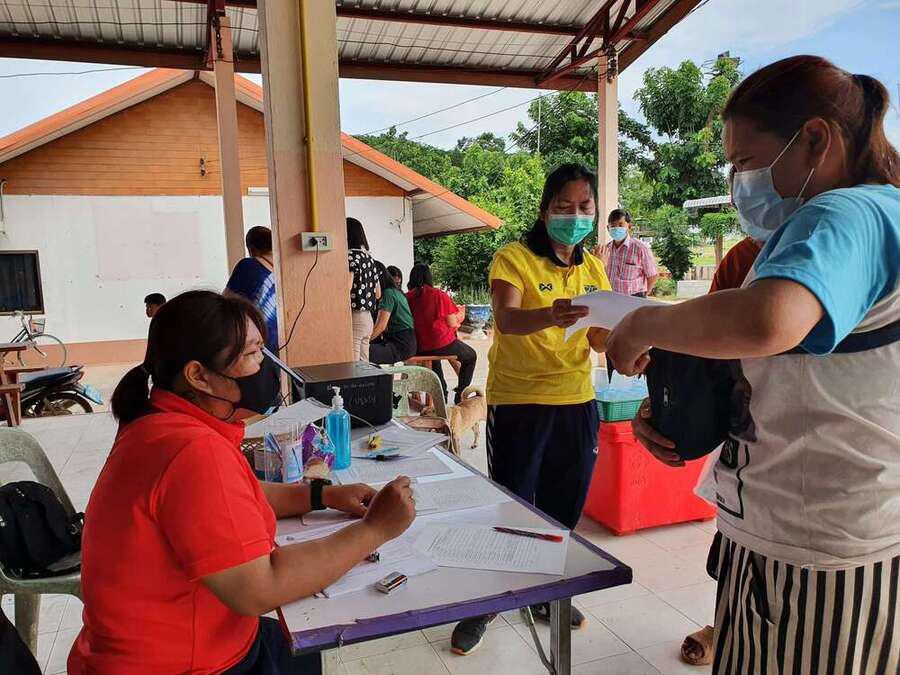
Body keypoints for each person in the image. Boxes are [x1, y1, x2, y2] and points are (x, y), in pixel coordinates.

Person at [608, 56, 900, 674]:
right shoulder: (846, 223)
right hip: (798, 533)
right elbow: (796, 372)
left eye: (745, 162)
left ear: (815, 140)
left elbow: (769, 321)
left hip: (819, 551)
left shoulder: (848, 212)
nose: (739, 181)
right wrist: (677, 409)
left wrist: (643, 322)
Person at [69, 290, 416, 674]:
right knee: (305, 639)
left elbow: (238, 497)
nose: (266, 366)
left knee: (302, 647)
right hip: (184, 664)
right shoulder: (192, 452)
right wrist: (375, 529)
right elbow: (261, 587)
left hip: (161, 645)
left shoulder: (157, 424)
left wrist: (323, 495)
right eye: (253, 354)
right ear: (199, 376)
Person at [450, 163, 611, 655]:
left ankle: (544, 595)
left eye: (584, 207)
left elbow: (599, 338)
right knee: (513, 507)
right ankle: (490, 601)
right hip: (519, 401)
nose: (575, 216)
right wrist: (552, 313)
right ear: (545, 211)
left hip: (576, 400)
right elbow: (506, 319)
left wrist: (630, 335)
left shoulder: (593, 268)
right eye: (564, 207)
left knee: (564, 510)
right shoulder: (514, 257)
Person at [224, 226, 281, 413]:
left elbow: (226, 303)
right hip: (277, 343)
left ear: (251, 248)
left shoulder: (249, 266)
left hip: (251, 343)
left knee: (251, 399)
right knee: (270, 393)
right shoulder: (282, 268)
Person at [405, 263, 476, 404]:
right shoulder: (438, 295)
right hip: (440, 343)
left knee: (434, 359)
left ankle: (441, 394)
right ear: (429, 277)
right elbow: (452, 323)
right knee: (470, 356)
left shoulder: (407, 297)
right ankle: (460, 394)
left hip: (418, 346)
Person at [594, 208, 658, 296]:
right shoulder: (606, 250)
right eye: (613, 226)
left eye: (620, 225)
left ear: (629, 226)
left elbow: (652, 275)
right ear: (608, 228)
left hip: (634, 297)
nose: (616, 228)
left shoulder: (641, 248)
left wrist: (644, 295)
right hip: (611, 296)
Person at [369, 263, 417, 365]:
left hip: (400, 345)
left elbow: (381, 326)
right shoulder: (397, 293)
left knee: (363, 352)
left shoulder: (388, 294)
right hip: (407, 343)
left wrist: (364, 341)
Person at [347, 217, 381, 361]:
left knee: (353, 364)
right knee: (363, 365)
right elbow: (378, 293)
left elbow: (347, 287)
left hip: (354, 316)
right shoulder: (369, 259)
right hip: (368, 319)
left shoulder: (350, 257)